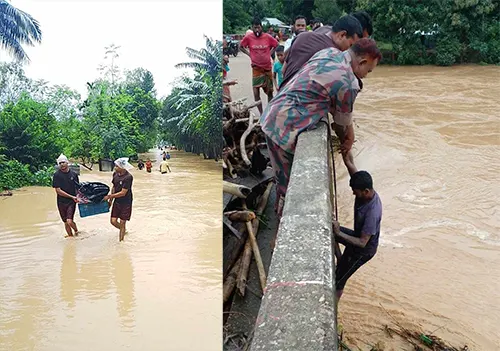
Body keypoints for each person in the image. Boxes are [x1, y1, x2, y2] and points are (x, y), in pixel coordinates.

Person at [260, 39, 381, 217]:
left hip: (273, 114)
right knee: (288, 187)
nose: (366, 75)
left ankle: (280, 213)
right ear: (362, 62)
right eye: (368, 70)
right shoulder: (348, 82)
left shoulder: (329, 53)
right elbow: (342, 123)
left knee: (281, 179)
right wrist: (348, 140)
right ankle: (282, 226)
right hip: (284, 126)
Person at [332, 171, 382, 305]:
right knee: (331, 231)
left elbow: (362, 243)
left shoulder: (372, 213)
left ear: (366, 191)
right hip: (358, 236)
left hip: (363, 250)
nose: (354, 194)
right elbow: (351, 166)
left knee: (339, 279)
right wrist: (346, 154)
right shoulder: (365, 190)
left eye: (356, 192)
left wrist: (338, 233)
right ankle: (341, 259)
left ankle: (333, 308)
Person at [239, 17, 279, 114]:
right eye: (255, 28)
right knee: (256, 93)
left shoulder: (267, 37)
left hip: (267, 68)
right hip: (256, 68)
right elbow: (241, 46)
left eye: (258, 27)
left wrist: (270, 53)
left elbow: (276, 45)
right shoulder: (248, 38)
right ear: (252, 28)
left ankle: (269, 113)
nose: (257, 30)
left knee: (270, 92)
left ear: (261, 27)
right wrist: (249, 54)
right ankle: (261, 114)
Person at [104, 158, 134, 242]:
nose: (115, 168)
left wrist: (109, 196)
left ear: (122, 167)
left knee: (122, 222)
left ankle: (121, 242)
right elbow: (114, 187)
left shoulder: (128, 177)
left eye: (116, 166)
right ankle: (123, 230)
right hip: (117, 201)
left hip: (126, 202)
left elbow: (123, 193)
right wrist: (110, 201)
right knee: (113, 221)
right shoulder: (115, 174)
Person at [52, 154, 80, 237]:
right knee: (65, 222)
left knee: (69, 221)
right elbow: (58, 190)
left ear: (67, 163)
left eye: (63, 162)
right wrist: (72, 196)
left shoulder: (74, 175)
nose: (62, 164)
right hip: (61, 201)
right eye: (60, 163)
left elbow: (77, 188)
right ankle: (71, 238)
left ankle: (76, 231)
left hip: (71, 201)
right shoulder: (56, 175)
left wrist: (79, 198)